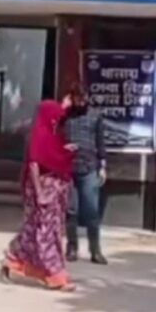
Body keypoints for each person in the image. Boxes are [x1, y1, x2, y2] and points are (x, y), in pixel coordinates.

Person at [1, 99, 76, 292]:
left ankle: (16, 260)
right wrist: (40, 193)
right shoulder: (39, 136)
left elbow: (56, 158)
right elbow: (34, 163)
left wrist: (66, 152)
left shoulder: (54, 136)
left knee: (41, 231)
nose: (58, 122)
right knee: (45, 232)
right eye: (56, 118)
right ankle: (53, 273)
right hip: (43, 192)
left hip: (56, 194)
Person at [63, 85, 108, 265]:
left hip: (89, 167)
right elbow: (53, 130)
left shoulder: (95, 116)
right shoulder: (66, 116)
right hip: (68, 168)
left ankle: (95, 250)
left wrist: (102, 165)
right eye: (77, 97)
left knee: (91, 210)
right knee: (71, 209)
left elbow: (100, 142)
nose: (81, 101)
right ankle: (72, 247)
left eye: (83, 97)